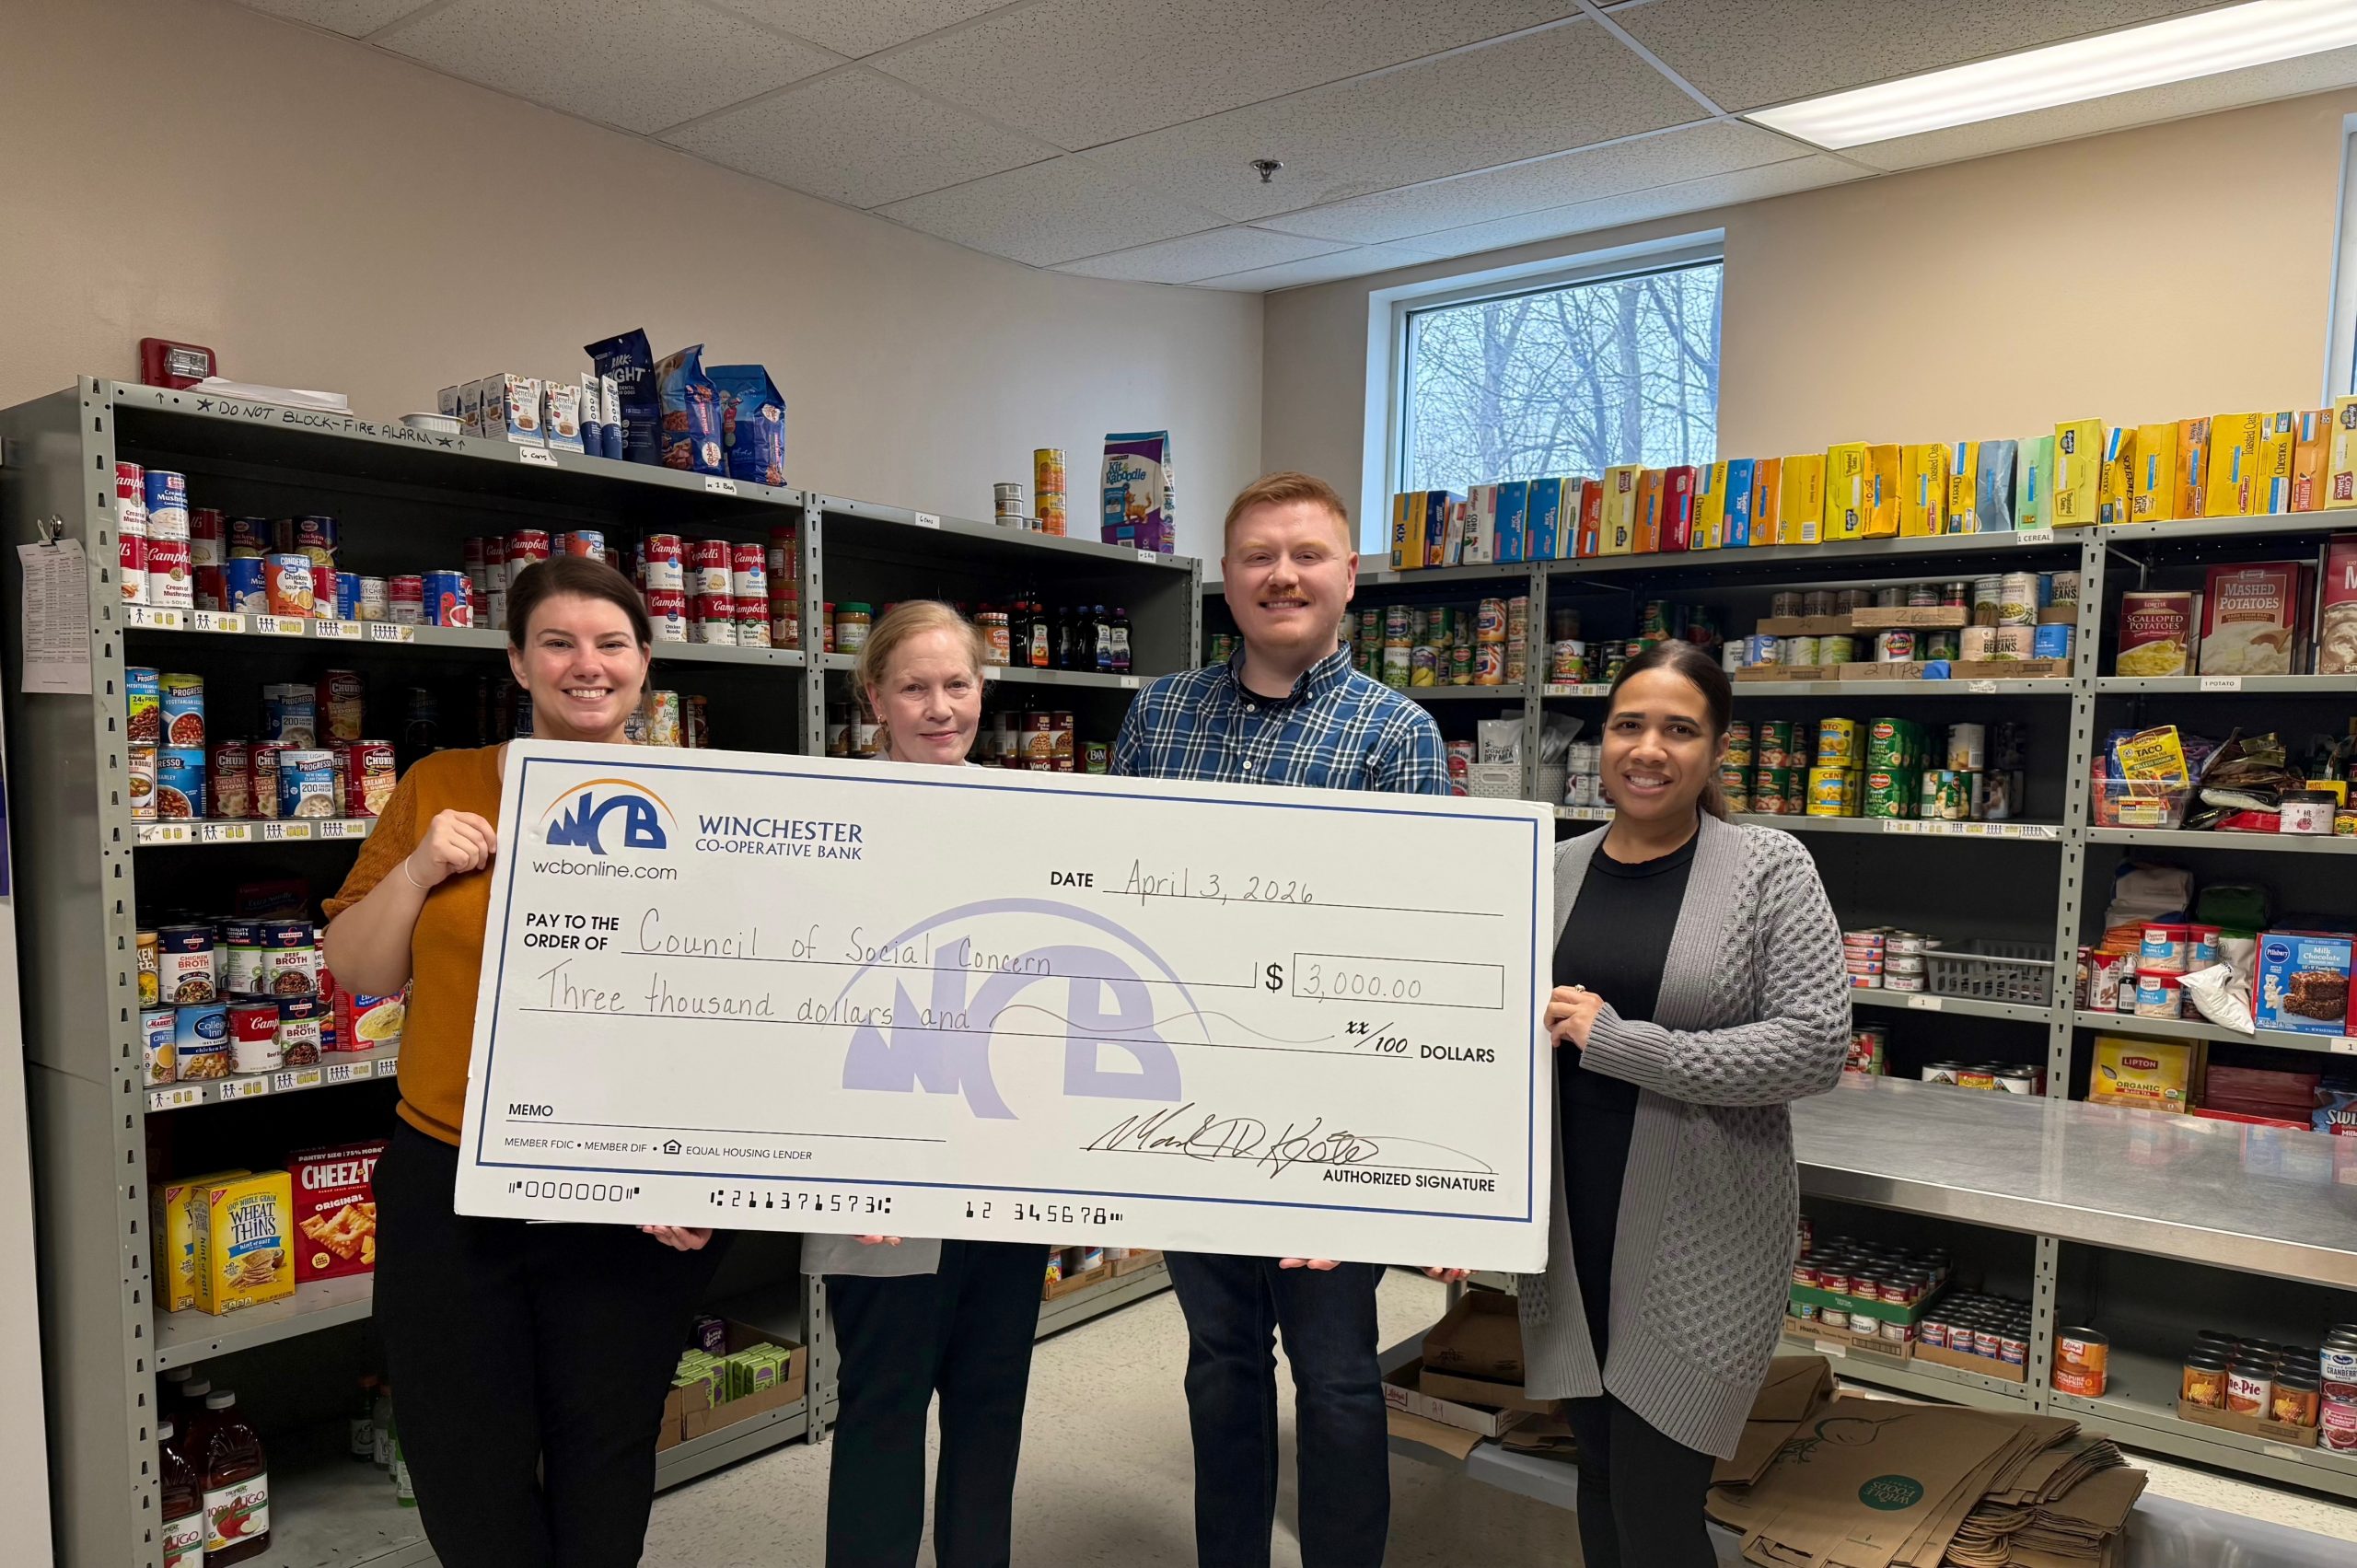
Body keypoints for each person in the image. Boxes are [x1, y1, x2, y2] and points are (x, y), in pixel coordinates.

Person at [322, 555, 722, 1568]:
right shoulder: (440, 784)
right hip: (449, 1172)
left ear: (645, 664)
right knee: (464, 1459)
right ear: (517, 658)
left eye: (611, 643)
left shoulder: (713, 802)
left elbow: (741, 1007)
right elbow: (360, 971)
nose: (585, 665)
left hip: (626, 1181)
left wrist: (706, 1157)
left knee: (606, 1449)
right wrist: (419, 868)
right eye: (558, 641)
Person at [1110, 471, 1448, 1568]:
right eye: (1258, 555)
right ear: (1227, 578)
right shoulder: (1158, 715)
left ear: (1349, 578)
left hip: (1330, 1113)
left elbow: (1413, 946)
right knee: (1219, 1362)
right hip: (1190, 1103)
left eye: (1307, 554)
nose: (1282, 574)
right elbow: (1111, 905)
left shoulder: (1395, 735)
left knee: (1340, 1375)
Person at [1520, 637, 1849, 1568]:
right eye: (1628, 724)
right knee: (1594, 1474)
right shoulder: (1552, 867)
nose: (1647, 748)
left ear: (1714, 749)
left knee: (1657, 1507)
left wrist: (1619, 1041)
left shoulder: (1766, 868)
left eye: (1678, 728)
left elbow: (1815, 1042)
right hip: (1567, 1225)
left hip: (1699, 1233)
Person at [803, 599, 1052, 1568]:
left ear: (982, 690)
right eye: (913, 686)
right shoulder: (824, 822)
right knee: (884, 1401)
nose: (938, 707)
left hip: (1004, 1163)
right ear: (874, 696)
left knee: (991, 1401)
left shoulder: (1035, 817)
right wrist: (843, 1161)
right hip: (877, 1173)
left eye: (957, 685)